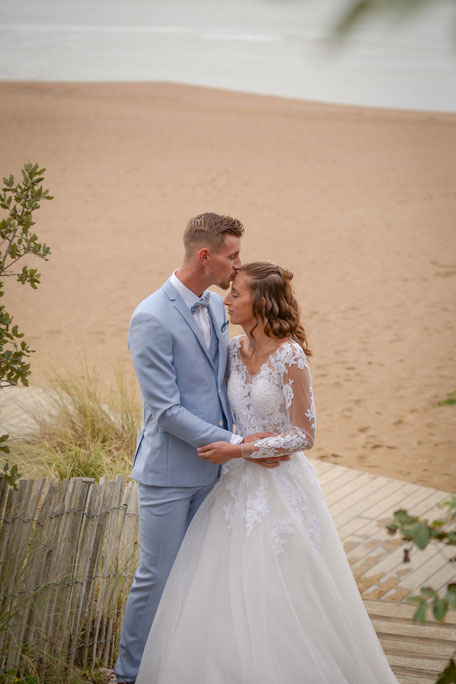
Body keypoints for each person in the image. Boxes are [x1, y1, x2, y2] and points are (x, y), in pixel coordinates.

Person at [135, 261, 399, 684]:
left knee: (281, 586)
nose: (227, 299)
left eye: (236, 293)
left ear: (260, 303)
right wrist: (239, 450)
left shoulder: (290, 355)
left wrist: (242, 448)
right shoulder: (233, 351)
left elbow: (303, 434)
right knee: (225, 586)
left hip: (280, 485)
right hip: (236, 483)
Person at [115, 217, 286, 684]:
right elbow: (165, 410)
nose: (238, 265)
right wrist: (239, 445)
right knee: (157, 578)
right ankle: (128, 676)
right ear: (205, 256)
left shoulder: (215, 307)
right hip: (168, 474)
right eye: (232, 255)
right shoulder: (150, 316)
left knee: (198, 579)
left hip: (216, 474)